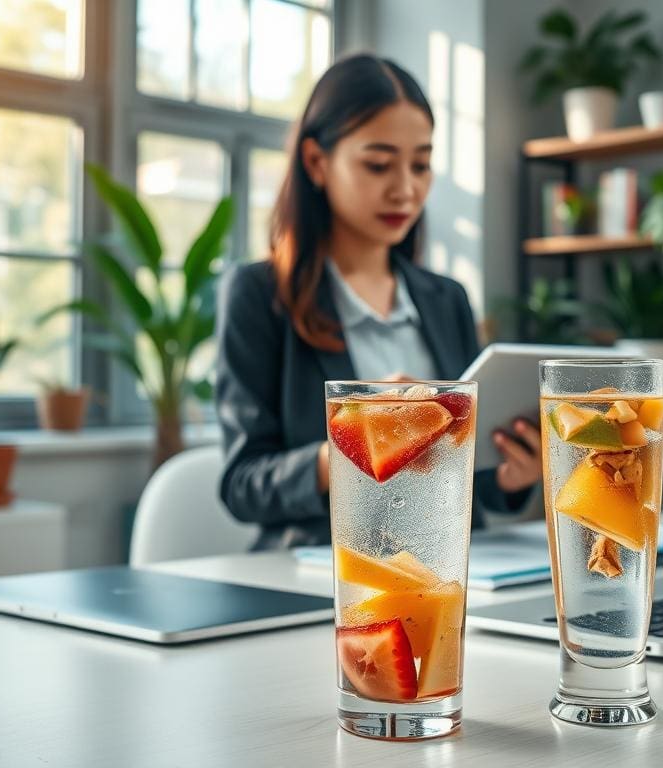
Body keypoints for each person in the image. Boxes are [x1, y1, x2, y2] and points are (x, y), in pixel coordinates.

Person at [215, 54, 541, 550]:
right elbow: (243, 484)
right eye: (378, 164)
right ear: (316, 162)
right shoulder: (259, 295)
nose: (406, 189)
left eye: (422, 165)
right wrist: (350, 444)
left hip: (444, 573)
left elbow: (467, 482)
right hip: (328, 576)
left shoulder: (446, 299)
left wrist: (512, 474)